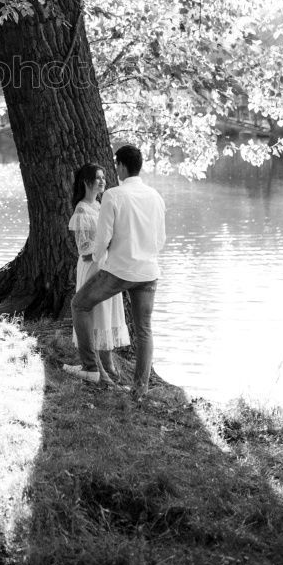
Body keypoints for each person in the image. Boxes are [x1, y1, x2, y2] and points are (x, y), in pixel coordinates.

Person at [64, 144, 166, 399]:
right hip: (148, 271)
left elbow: (101, 241)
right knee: (144, 329)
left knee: (80, 305)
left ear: (120, 165)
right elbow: (161, 240)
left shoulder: (113, 195)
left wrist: (99, 259)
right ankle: (139, 389)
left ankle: (90, 368)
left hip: (119, 271)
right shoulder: (155, 195)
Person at [68, 163, 130, 383]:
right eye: (98, 178)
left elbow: (104, 239)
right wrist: (105, 245)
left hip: (106, 264)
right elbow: (84, 249)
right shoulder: (82, 209)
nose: (103, 181)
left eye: (104, 177)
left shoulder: (101, 205)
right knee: (93, 313)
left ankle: (108, 363)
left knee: (107, 312)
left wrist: (108, 245)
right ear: (86, 182)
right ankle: (96, 368)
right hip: (92, 268)